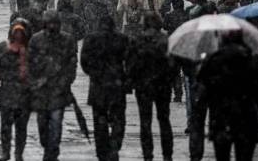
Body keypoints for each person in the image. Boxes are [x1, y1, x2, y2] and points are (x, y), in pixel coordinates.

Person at [197, 31, 258, 161]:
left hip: (220, 118)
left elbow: (203, 92)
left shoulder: (213, 60)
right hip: (246, 117)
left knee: (222, 156)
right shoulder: (250, 59)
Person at [27, 10, 78, 161]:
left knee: (56, 123)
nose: (52, 26)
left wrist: (66, 81)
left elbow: (72, 64)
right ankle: (47, 146)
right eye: (49, 23)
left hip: (59, 90)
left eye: (55, 23)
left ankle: (52, 152)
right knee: (42, 124)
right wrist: (35, 81)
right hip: (41, 90)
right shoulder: (36, 40)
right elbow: (29, 63)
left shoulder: (67, 40)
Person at [126, 12, 174, 161]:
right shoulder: (166, 40)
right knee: (164, 120)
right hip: (162, 85)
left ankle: (148, 154)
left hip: (143, 86)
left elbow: (131, 64)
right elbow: (173, 65)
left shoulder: (137, 40)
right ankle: (167, 155)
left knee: (145, 121)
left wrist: (131, 81)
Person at [80, 16, 129, 161]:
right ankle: (114, 146)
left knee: (99, 119)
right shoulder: (122, 39)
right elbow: (130, 60)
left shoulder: (91, 39)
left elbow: (84, 61)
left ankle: (102, 150)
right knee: (118, 118)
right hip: (117, 84)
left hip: (98, 85)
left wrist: (93, 73)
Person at [0, 19, 32, 161]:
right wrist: (7, 52)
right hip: (7, 93)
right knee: (6, 126)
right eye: (16, 33)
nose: (18, 36)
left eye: (21, 33)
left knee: (21, 127)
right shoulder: (4, 46)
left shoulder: (31, 50)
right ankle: (6, 152)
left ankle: (19, 153)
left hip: (24, 95)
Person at [163, 0, 188, 102]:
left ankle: (178, 94)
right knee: (187, 70)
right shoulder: (187, 15)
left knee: (175, 72)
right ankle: (188, 92)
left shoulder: (169, 15)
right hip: (185, 44)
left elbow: (164, 27)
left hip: (173, 44)